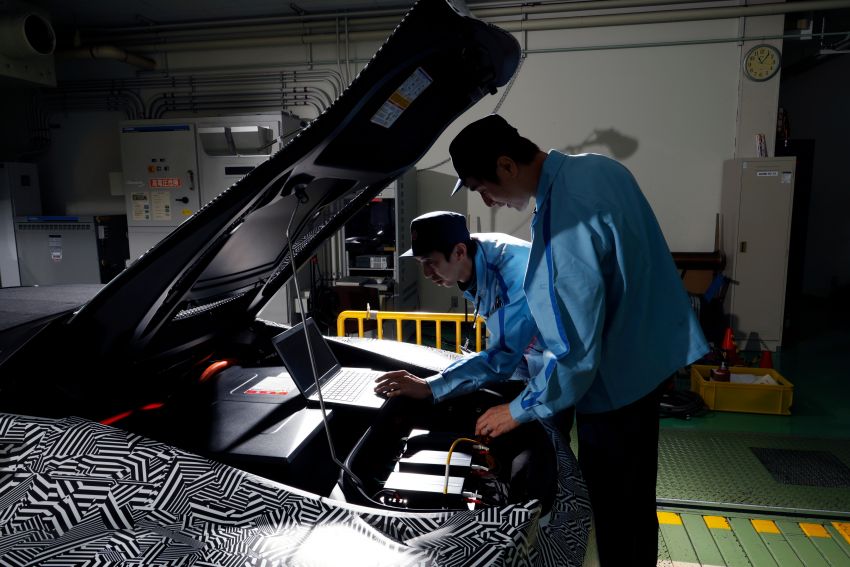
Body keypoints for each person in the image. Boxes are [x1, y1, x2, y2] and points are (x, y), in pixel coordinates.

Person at [447, 114, 709, 566]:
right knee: (635, 502)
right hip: (649, 363)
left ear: (507, 165)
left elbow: (577, 354)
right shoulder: (598, 168)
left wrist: (517, 409)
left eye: (482, 187)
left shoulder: (564, 224)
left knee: (613, 511)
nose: (487, 200)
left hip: (614, 389)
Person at [373, 211, 541, 408]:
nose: (426, 273)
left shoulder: (512, 272)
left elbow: (504, 357)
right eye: (421, 263)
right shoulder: (476, 254)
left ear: (459, 252)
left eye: (430, 262)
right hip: (531, 360)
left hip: (561, 363)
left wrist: (430, 386)